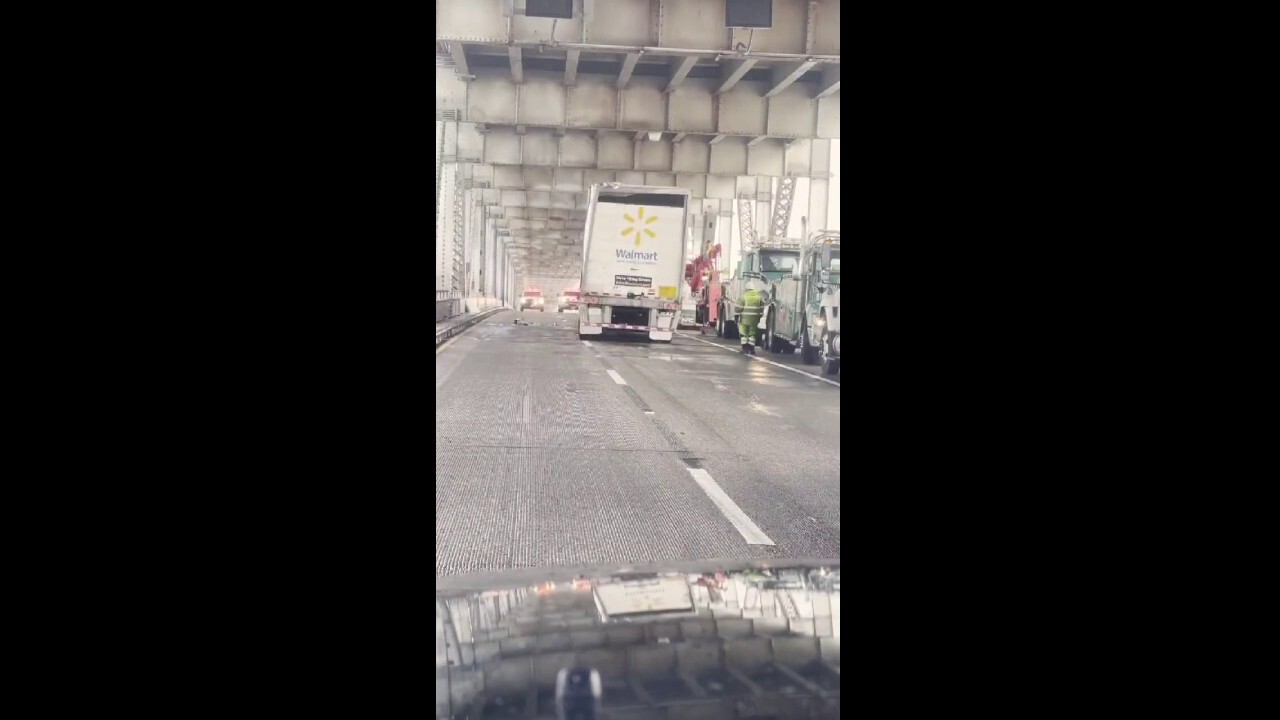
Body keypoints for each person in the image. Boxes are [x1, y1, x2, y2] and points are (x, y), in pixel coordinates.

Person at [737, 282, 765, 355]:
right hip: (754, 320)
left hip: (744, 319)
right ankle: (751, 350)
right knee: (752, 335)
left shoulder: (743, 297)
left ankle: (745, 349)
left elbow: (738, 308)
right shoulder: (759, 297)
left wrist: (736, 317)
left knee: (744, 334)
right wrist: (759, 316)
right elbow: (762, 308)